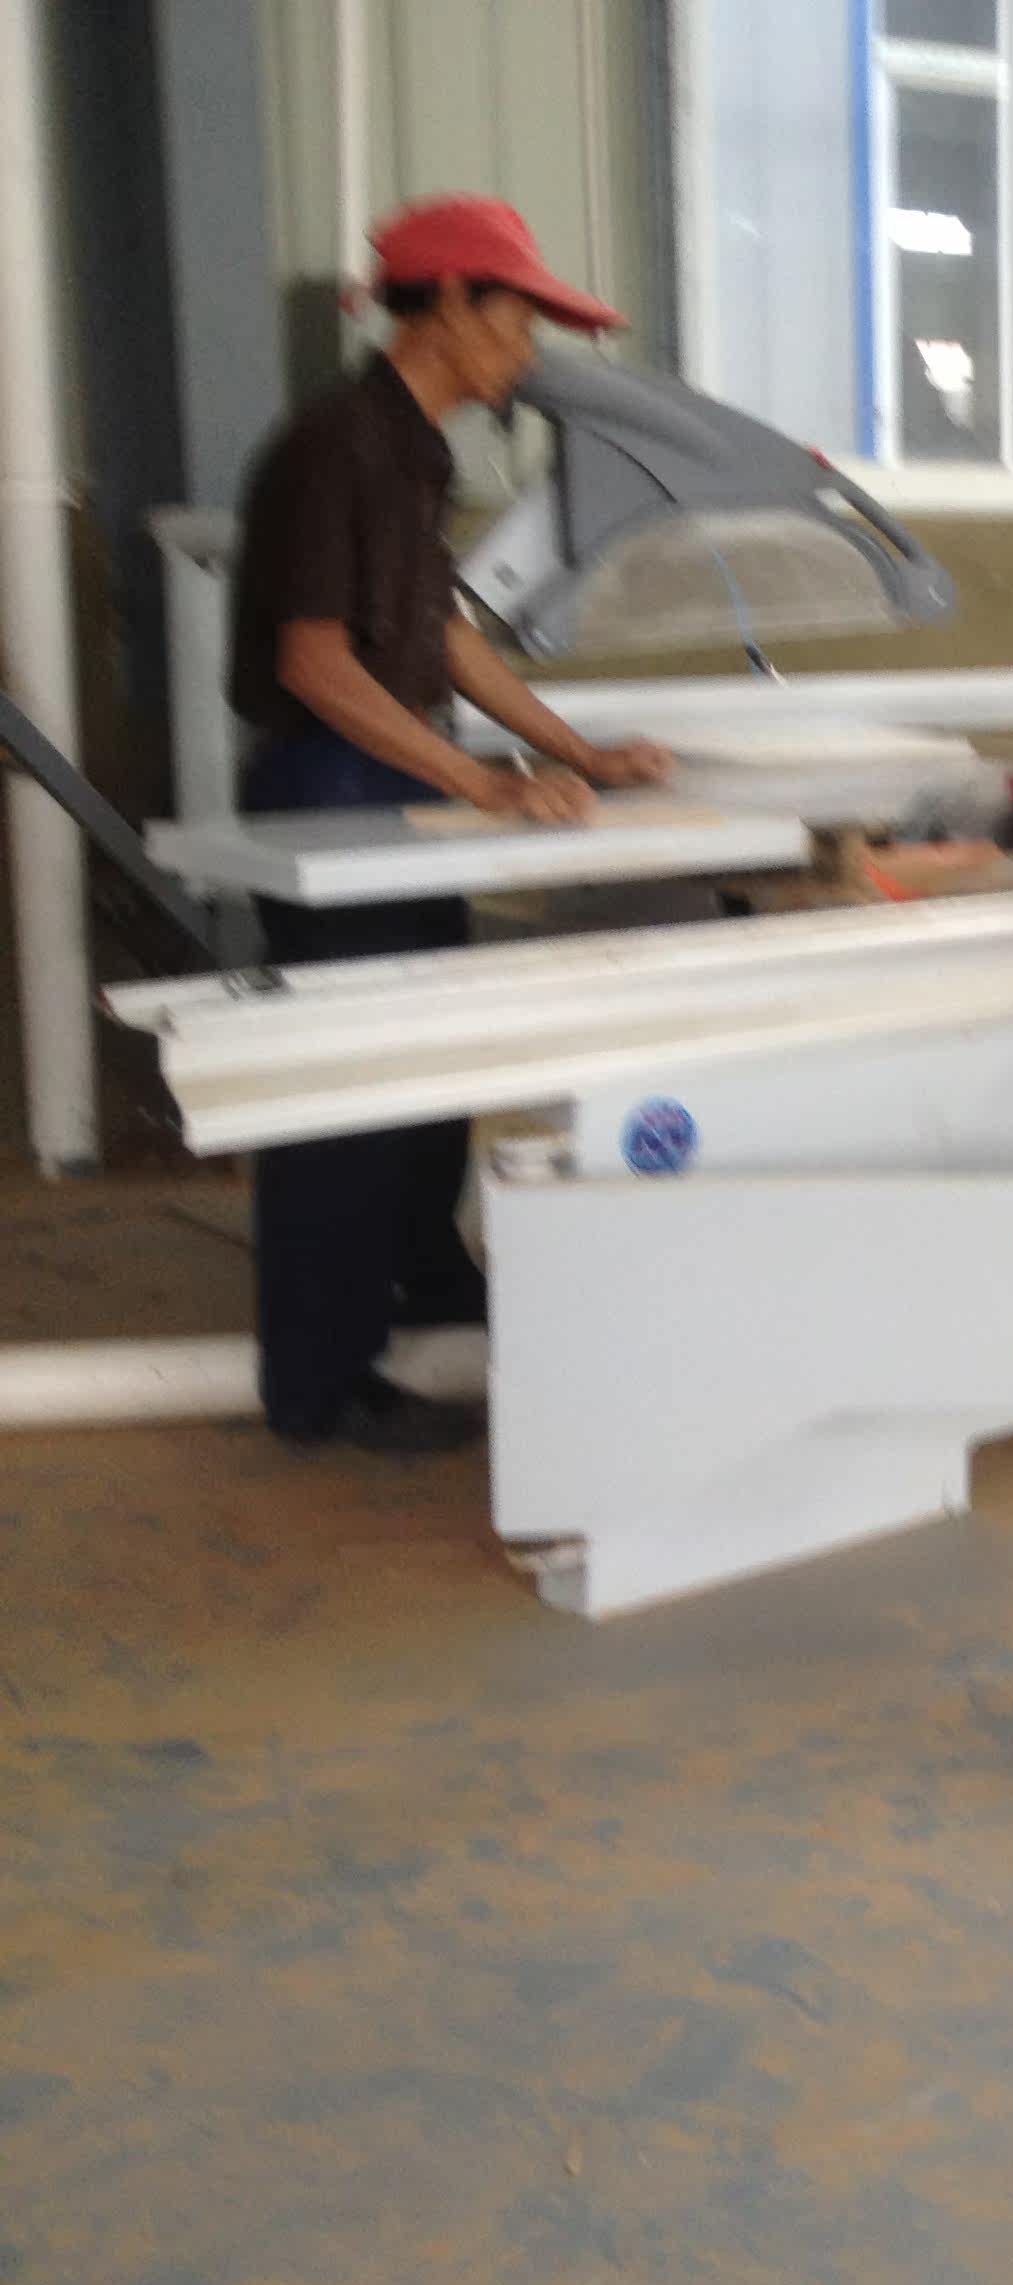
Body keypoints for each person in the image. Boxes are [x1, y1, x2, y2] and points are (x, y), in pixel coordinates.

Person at [228, 194, 673, 1452]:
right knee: (353, 1096)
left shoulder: (413, 449)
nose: (527, 354)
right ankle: (321, 1387)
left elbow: (438, 634)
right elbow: (316, 663)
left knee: (430, 1078)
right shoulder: (338, 446)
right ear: (453, 306)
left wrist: (579, 753)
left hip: (387, 775)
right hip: (331, 781)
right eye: (518, 322)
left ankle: (429, 1291)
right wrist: (488, 789)